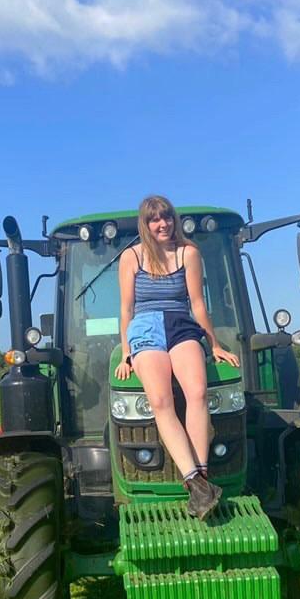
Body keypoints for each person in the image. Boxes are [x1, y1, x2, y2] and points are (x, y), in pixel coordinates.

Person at [114, 195, 240, 520]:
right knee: (160, 400)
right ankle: (197, 486)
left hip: (181, 325)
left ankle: (201, 479)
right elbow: (126, 308)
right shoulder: (131, 257)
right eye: (155, 219)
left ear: (174, 219)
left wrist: (214, 344)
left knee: (197, 392)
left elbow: (197, 303)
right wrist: (126, 351)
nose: (163, 224)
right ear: (146, 224)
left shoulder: (188, 253)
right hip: (145, 328)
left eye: (167, 217)